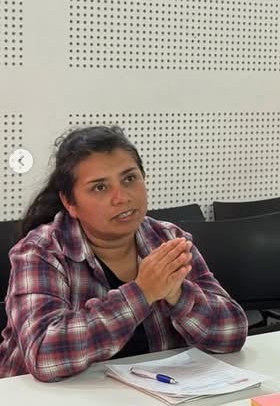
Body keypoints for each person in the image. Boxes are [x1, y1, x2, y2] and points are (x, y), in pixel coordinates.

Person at [0, 126, 248, 381]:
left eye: (129, 179)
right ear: (70, 203)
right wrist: (142, 293)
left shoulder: (168, 240)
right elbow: (44, 355)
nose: (121, 198)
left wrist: (178, 294)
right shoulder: (41, 251)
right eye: (99, 188)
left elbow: (234, 332)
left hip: (153, 397)